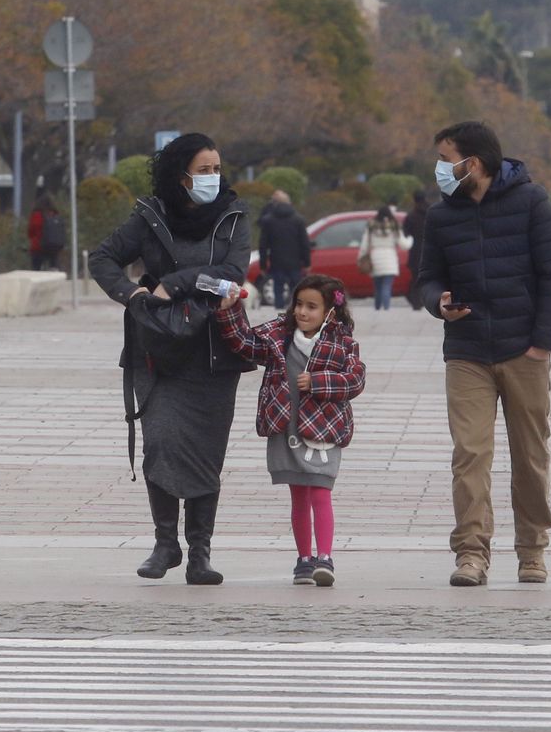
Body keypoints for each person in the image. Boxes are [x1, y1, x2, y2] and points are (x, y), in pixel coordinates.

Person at [88, 133, 252, 586]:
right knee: (159, 442)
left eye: (217, 169)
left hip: (213, 351)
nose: (213, 177)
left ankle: (200, 552)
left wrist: (174, 283)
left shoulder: (234, 217)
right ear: (182, 176)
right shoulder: (151, 214)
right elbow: (102, 258)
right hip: (158, 349)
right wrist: (131, 293)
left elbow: (232, 273)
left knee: (205, 452)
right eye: (203, 170)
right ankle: (165, 543)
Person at [416, 121, 551, 587]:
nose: (440, 169)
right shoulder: (441, 216)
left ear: (474, 163)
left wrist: (543, 343)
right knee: (469, 454)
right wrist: (438, 303)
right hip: (466, 351)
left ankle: (532, 550)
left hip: (524, 350)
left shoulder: (531, 201)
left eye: (445, 160)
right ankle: (471, 553)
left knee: (530, 456)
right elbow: (426, 278)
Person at [214, 274, 364, 586]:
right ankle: (304, 560)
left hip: (323, 431)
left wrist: (319, 381)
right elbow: (245, 344)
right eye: (299, 304)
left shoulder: (342, 343)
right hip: (286, 428)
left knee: (321, 492)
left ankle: (325, 557)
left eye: (312, 306)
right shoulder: (278, 336)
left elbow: (355, 380)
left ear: (330, 312)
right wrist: (230, 310)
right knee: (298, 496)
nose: (303, 312)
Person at [256, 189, 312, 310]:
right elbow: (305, 243)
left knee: (278, 289)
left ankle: (279, 312)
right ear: (289, 202)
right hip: (295, 261)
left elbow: (263, 245)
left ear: (274, 203)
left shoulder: (268, 221)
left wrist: (263, 265)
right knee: (296, 290)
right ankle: (295, 311)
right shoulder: (298, 220)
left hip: (276, 261)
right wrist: (307, 262)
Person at [358, 205, 411, 311]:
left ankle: (377, 309)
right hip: (390, 258)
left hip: (375, 257)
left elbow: (364, 244)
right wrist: (410, 239)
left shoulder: (371, 225)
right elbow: (404, 245)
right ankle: (386, 309)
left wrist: (360, 257)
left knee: (377, 288)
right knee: (387, 286)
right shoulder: (394, 225)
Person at [403, 189, 429, 310]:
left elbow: (405, 233)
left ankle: (416, 302)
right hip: (431, 250)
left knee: (415, 278)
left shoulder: (411, 216)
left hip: (416, 252)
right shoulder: (432, 212)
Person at [28, 191, 65, 270]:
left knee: (36, 269)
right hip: (54, 246)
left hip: (38, 247)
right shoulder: (55, 214)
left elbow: (31, 231)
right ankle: (54, 270)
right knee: (54, 267)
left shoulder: (37, 214)